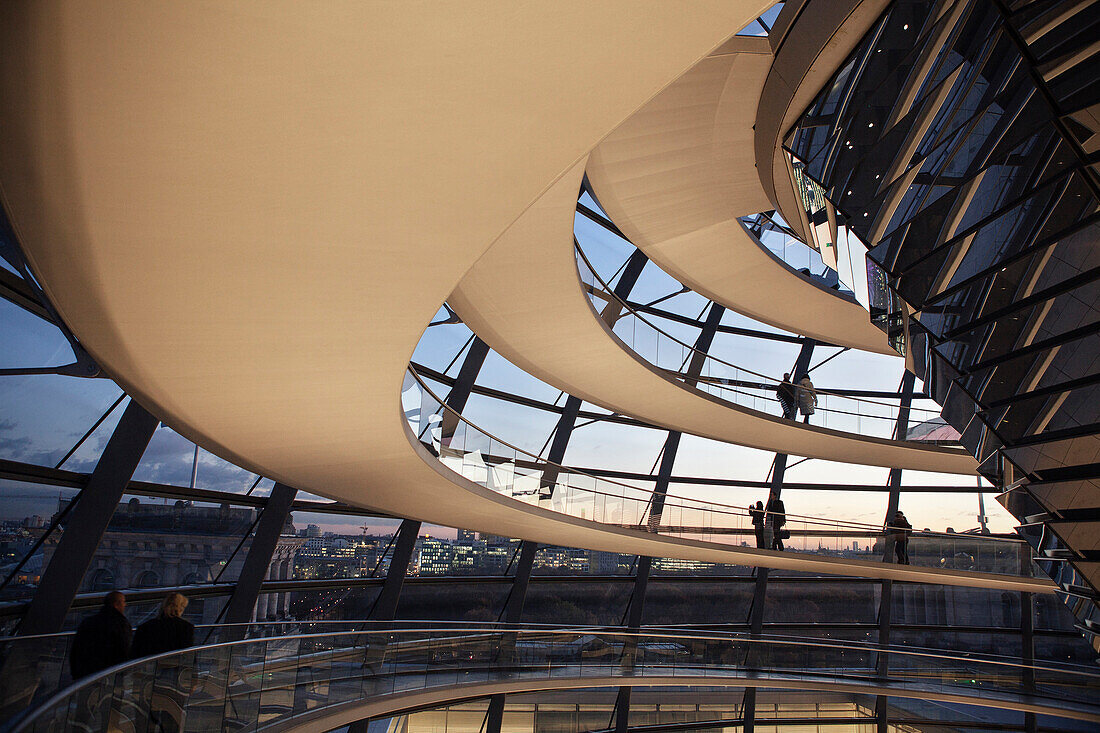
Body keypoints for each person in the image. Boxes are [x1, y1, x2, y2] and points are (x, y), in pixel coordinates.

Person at [70, 591, 132, 679]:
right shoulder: (121, 624)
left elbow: (76, 648)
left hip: (84, 672)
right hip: (107, 673)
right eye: (123, 602)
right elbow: (123, 649)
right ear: (116, 604)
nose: (125, 605)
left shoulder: (88, 621)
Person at [132, 593, 195, 659]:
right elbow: (187, 654)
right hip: (173, 664)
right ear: (180, 608)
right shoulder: (186, 627)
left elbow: (136, 651)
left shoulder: (145, 626)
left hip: (147, 664)